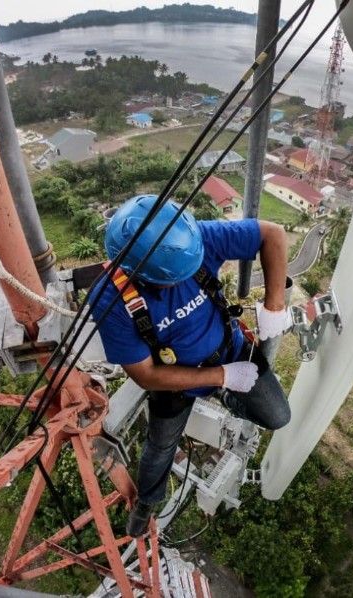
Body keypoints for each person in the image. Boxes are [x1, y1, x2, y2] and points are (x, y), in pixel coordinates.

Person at [89, 194, 292, 537]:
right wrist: (222, 377)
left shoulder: (188, 241)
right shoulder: (111, 300)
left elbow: (272, 234)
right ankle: (147, 502)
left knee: (278, 416)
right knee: (159, 448)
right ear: (144, 275)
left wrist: (274, 305)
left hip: (231, 349)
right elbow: (146, 375)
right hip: (174, 382)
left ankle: (226, 396)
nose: (183, 283)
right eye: (174, 280)